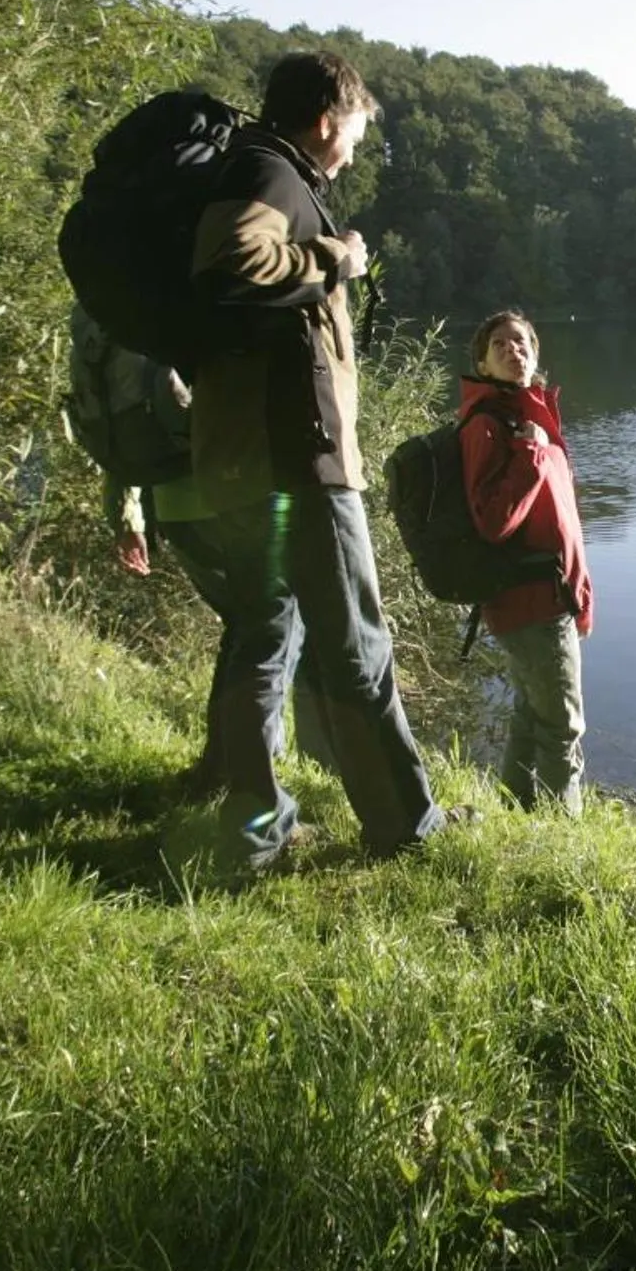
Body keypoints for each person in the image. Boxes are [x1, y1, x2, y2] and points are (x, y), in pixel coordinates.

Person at [188, 50, 457, 866]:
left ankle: (254, 825)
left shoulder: (253, 168)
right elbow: (233, 262)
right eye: (355, 135)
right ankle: (405, 827)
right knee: (357, 644)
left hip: (245, 460)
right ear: (325, 120)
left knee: (265, 635)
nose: (352, 153)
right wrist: (338, 258)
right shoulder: (271, 173)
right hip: (298, 463)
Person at [67, 305, 330, 790]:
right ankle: (253, 785)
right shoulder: (191, 286)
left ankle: (220, 768)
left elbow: (115, 413)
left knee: (246, 628)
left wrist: (126, 516)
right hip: (227, 492)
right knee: (275, 626)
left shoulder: (109, 303)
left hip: (172, 505)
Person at [459, 309, 594, 816]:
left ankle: (514, 814)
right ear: (482, 363)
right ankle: (564, 836)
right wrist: (530, 454)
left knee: (531, 714)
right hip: (527, 599)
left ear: (536, 353)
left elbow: (563, 522)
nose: (512, 350)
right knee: (562, 726)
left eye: (521, 342)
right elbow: (494, 522)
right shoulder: (488, 425)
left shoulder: (531, 416)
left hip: (553, 593)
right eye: (499, 344)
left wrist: (581, 594)